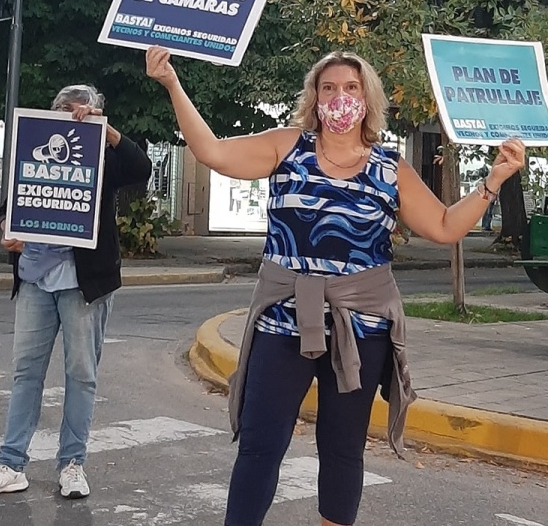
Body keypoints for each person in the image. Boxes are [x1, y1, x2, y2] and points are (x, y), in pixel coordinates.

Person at [145, 46, 525, 526]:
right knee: (260, 446)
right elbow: (214, 152)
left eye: (350, 88)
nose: (339, 97)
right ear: (314, 97)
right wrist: (173, 84)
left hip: (359, 332)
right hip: (283, 324)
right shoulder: (287, 146)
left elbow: (446, 226)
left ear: (367, 100)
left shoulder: (390, 168)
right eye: (329, 88)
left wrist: (494, 180)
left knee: (343, 449)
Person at [0, 84, 151, 499]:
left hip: (84, 284)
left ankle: (72, 464)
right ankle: (11, 464)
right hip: (34, 279)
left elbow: (142, 169)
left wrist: (106, 130)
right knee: (25, 374)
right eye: (65, 111)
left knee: (80, 376)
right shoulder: (32, 148)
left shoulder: (103, 157)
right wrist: (6, 232)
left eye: (83, 111)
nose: (73, 117)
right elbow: (12, 205)